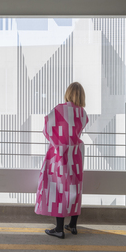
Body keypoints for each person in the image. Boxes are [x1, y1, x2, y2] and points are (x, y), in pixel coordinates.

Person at [35, 82, 88, 239]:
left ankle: (59, 229)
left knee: (59, 188)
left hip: (60, 154)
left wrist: (57, 141)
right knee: (75, 189)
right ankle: (72, 225)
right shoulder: (83, 113)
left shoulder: (59, 109)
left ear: (68, 93)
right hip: (76, 154)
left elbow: (47, 129)